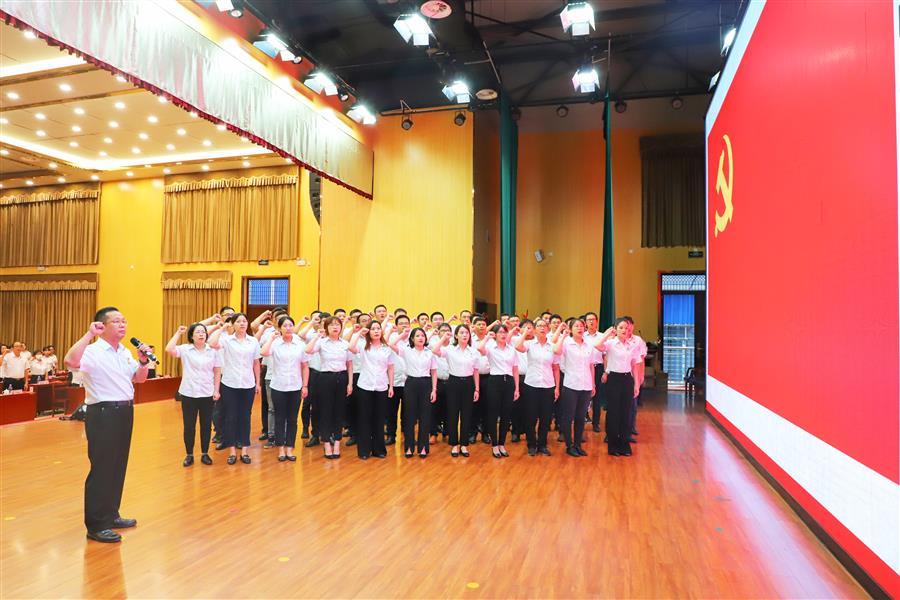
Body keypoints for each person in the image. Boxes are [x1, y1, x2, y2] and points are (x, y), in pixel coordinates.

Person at [64, 306, 151, 543]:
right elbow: (70, 360)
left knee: (118, 466)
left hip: (125, 411)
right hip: (103, 413)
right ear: (102, 326)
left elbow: (139, 379)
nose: (123, 325)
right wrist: (89, 334)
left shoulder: (124, 351)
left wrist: (143, 362)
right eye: (117, 321)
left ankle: (111, 515)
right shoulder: (92, 351)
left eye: (124, 321)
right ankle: (96, 525)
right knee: (102, 468)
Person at [165, 323, 221, 467]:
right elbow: (169, 349)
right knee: (189, 426)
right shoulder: (185, 349)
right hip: (189, 393)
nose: (201, 334)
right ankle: (189, 454)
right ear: (191, 336)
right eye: (198, 332)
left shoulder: (213, 351)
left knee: (206, 425)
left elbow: (217, 371)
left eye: (203, 332)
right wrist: (178, 333)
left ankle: (205, 453)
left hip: (207, 393)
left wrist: (216, 390)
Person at [209, 313, 261, 465]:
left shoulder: (253, 341)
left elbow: (256, 363)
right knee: (230, 417)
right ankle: (232, 451)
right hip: (229, 384)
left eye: (244, 321)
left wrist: (258, 383)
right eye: (238, 321)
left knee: (245, 417)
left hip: (248, 384)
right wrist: (222, 328)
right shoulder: (226, 340)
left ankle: (244, 450)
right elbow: (212, 343)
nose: (242, 323)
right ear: (233, 324)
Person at [261, 316, 310, 462]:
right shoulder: (275, 343)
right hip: (278, 386)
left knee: (292, 419)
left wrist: (305, 385)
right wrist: (271, 338)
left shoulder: (300, 344)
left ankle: (290, 448)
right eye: (285, 326)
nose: (288, 328)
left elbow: (305, 366)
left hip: (295, 386)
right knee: (280, 418)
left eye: (290, 325)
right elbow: (263, 352)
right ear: (280, 328)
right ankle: (281, 449)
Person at [305, 316, 353, 459]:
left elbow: (350, 365)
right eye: (331, 325)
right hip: (325, 378)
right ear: (326, 328)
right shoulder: (321, 342)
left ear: (341, 327)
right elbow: (308, 350)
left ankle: (337, 444)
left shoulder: (345, 344)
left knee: (339, 411)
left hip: (342, 378)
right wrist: (317, 337)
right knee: (325, 411)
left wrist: (350, 383)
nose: (335, 327)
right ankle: (326, 444)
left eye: (337, 324)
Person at [553, 319, 602, 458]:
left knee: (581, 417)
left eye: (581, 326)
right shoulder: (566, 343)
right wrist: (563, 335)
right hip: (571, 385)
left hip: (586, 385)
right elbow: (556, 350)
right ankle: (569, 445)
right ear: (571, 329)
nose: (580, 328)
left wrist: (593, 384)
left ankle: (578, 445)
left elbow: (591, 366)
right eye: (576, 326)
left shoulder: (588, 345)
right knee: (568, 417)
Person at [347, 321, 394, 460]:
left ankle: (378, 450)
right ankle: (364, 450)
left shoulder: (387, 348)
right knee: (364, 418)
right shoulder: (363, 346)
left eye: (378, 328)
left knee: (379, 419)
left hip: (381, 386)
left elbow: (391, 368)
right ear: (368, 331)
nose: (376, 331)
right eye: (373, 329)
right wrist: (358, 333)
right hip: (365, 386)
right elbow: (350, 347)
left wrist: (391, 386)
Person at [432, 324, 480, 457]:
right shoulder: (450, 350)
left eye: (466, 333)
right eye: (461, 332)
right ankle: (454, 444)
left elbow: (476, 371)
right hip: (453, 383)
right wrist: (444, 338)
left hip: (468, 383)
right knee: (452, 414)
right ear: (456, 335)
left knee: (466, 415)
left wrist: (477, 389)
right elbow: (435, 350)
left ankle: (464, 444)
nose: (464, 335)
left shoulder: (473, 351)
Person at [598, 318, 644, 456]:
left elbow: (635, 365)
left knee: (626, 413)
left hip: (627, 379)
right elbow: (597, 345)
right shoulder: (611, 343)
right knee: (613, 412)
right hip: (614, 379)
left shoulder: (632, 345)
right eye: (621, 327)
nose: (625, 330)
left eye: (627, 328)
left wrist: (636, 384)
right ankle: (612, 445)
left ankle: (624, 444)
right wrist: (607, 333)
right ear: (616, 329)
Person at [389, 326, 437, 458]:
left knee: (425, 416)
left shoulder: (430, 352)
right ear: (412, 339)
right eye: (417, 336)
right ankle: (409, 447)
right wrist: (402, 334)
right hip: (411, 383)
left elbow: (434, 372)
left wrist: (434, 389)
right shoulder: (407, 351)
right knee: (409, 416)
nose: (420, 338)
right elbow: (391, 344)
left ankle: (423, 447)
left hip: (426, 383)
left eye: (422, 336)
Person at [515, 319, 560, 456]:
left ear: (548, 329)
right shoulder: (529, 344)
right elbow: (517, 346)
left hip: (548, 385)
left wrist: (557, 387)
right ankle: (531, 444)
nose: (542, 328)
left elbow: (556, 368)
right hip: (531, 384)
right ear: (534, 329)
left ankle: (542, 445)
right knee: (531, 417)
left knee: (546, 418)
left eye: (544, 326)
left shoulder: (552, 346)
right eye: (539, 326)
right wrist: (525, 332)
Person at [478, 324, 520, 458]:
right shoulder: (491, 348)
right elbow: (479, 348)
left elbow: (515, 369)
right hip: (494, 381)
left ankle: (502, 443)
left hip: (509, 382)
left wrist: (517, 388)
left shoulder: (512, 350)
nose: (503, 334)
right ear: (495, 335)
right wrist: (487, 337)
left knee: (506, 414)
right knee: (493, 413)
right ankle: (495, 445)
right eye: (500, 332)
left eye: (505, 332)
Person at [384, 313, 409, 446]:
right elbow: (385, 343)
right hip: (393, 381)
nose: (404, 326)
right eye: (401, 324)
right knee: (391, 411)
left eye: (406, 323)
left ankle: (406, 435)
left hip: (409, 382)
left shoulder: (414, 338)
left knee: (407, 412)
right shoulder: (392, 338)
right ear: (396, 326)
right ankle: (390, 435)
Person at [583, 312, 606, 432]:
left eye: (593, 319)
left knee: (597, 398)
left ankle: (596, 423)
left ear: (597, 322)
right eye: (589, 320)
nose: (591, 322)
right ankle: (582, 421)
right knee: (584, 397)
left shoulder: (602, 336)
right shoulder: (582, 336)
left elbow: (605, 355)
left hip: (598, 368)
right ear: (585, 323)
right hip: (584, 369)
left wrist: (605, 371)